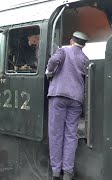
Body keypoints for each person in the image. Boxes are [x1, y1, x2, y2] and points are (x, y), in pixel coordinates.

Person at [46, 31, 89, 180]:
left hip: (59, 95)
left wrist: (49, 73)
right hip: (76, 100)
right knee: (71, 135)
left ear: (71, 41)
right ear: (83, 45)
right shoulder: (85, 58)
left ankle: (56, 172)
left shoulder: (63, 50)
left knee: (56, 133)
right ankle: (68, 172)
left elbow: (52, 62)